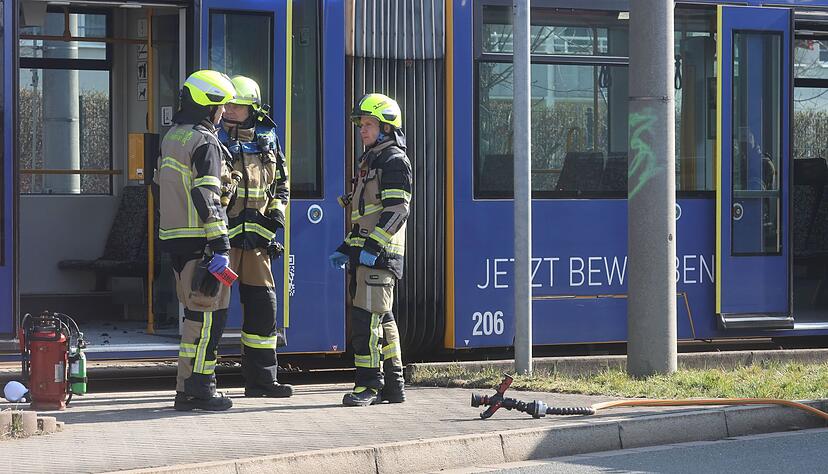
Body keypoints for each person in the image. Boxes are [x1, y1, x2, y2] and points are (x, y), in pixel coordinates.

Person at [157, 69, 237, 411]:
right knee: (207, 317)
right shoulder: (205, 142)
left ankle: (186, 388)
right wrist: (220, 243)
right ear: (209, 106)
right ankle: (200, 388)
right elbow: (206, 194)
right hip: (202, 242)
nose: (223, 114)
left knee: (194, 316)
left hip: (176, 241)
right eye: (221, 108)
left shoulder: (173, 136)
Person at [330, 93, 413, 406]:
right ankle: (394, 386)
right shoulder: (371, 160)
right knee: (383, 319)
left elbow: (397, 210)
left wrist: (374, 246)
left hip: (380, 256)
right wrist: (346, 248)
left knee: (368, 323)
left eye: (369, 124)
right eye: (361, 125)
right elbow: (364, 217)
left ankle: (370, 385)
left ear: (387, 128)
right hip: (367, 255)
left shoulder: (394, 161)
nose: (362, 130)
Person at [219, 75, 293, 398]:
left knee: (264, 308)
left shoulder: (269, 138)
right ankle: (203, 383)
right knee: (214, 308)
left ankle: (262, 380)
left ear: (251, 107)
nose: (230, 109)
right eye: (228, 104)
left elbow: (282, 185)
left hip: (259, 243)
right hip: (224, 242)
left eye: (236, 105)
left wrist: (275, 217)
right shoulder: (216, 138)